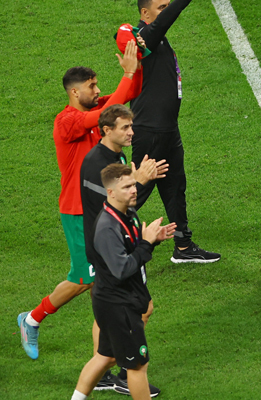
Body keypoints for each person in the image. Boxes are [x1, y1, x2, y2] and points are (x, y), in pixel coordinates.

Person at [17, 42, 140, 362]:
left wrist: (141, 57)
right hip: (76, 211)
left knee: (105, 286)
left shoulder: (91, 111)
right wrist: (126, 73)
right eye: (92, 86)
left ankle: (103, 363)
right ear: (74, 92)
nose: (98, 90)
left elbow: (128, 94)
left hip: (103, 208)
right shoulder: (67, 120)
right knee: (86, 279)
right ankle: (31, 319)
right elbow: (108, 111)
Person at [130, 0, 220, 263]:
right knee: (136, 191)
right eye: (161, 8)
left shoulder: (159, 38)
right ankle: (103, 241)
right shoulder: (145, 36)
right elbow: (162, 24)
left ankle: (183, 246)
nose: (167, 12)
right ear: (146, 14)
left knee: (174, 187)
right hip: (150, 130)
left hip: (167, 129)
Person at [80, 104, 167, 395]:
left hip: (120, 241)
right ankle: (121, 365)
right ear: (107, 130)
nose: (131, 132)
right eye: (125, 128)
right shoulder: (96, 165)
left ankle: (111, 362)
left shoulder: (115, 156)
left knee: (128, 311)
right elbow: (120, 206)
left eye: (131, 127)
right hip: (109, 248)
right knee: (122, 312)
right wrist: (140, 181)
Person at [69, 163, 175, 400]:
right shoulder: (108, 227)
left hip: (117, 301)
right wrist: (146, 244)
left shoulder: (128, 214)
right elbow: (122, 269)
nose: (134, 190)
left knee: (105, 357)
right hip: (119, 306)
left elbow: (130, 251)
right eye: (127, 186)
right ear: (111, 192)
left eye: (133, 184)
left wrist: (153, 240)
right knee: (137, 367)